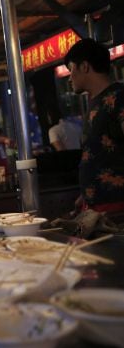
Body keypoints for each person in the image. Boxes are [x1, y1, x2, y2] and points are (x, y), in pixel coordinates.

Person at [65, 38, 124, 216]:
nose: (69, 78)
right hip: (97, 205)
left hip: (117, 207)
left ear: (84, 67)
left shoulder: (119, 97)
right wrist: (85, 194)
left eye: (71, 69)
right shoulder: (95, 102)